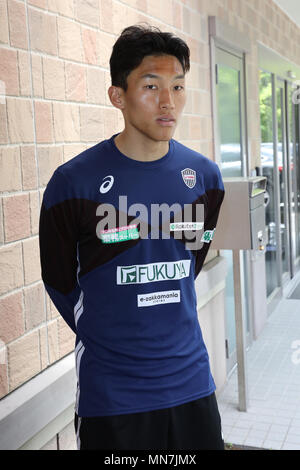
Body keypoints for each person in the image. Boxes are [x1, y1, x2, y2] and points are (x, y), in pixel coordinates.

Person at [39, 23, 225, 451]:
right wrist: (114, 330)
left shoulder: (206, 179)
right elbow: (60, 282)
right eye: (151, 86)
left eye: (178, 87)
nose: (168, 102)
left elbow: (189, 262)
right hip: (113, 397)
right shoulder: (73, 184)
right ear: (117, 96)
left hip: (192, 384)